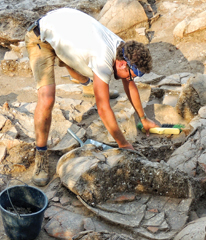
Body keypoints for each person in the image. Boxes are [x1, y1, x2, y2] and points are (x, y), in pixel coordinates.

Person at [25, 7, 158, 187]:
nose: (130, 79)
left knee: (78, 57)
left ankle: (89, 86)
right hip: (40, 38)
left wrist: (143, 118)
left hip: (64, 29)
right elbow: (103, 109)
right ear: (121, 63)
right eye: (131, 74)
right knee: (47, 98)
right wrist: (123, 144)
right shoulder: (102, 57)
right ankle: (40, 153)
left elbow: (129, 84)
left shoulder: (124, 48)